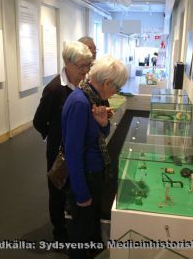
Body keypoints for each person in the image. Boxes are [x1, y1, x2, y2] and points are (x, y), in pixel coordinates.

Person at [61, 56, 128, 259]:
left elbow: (98, 135)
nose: (115, 92)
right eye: (116, 87)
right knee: (80, 232)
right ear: (107, 83)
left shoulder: (93, 98)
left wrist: (102, 123)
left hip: (94, 173)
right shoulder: (80, 103)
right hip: (85, 177)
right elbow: (72, 153)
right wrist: (81, 193)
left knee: (89, 225)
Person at [33, 41, 93, 242]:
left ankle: (74, 226)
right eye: (81, 66)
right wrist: (55, 135)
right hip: (58, 151)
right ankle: (59, 233)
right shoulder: (54, 89)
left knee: (74, 187)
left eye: (88, 66)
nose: (85, 72)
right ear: (67, 62)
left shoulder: (83, 85)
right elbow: (39, 121)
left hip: (76, 149)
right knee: (57, 190)